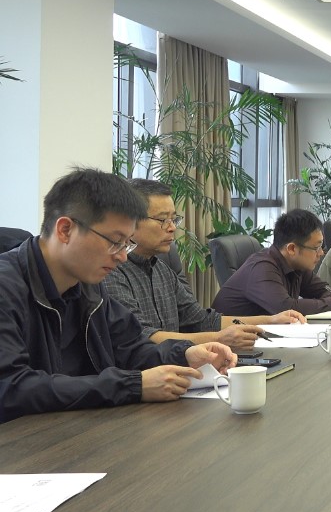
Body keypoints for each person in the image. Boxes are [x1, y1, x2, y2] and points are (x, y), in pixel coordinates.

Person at [0, 168, 235, 422]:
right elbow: (12, 387)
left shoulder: (89, 286)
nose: (122, 256)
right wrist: (133, 385)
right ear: (65, 230)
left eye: (127, 244)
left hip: (85, 429)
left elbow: (132, 348)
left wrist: (186, 355)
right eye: (114, 242)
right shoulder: (7, 287)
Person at [102, 179, 303, 349]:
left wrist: (272, 320)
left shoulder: (162, 270)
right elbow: (142, 336)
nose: (172, 228)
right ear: (129, 222)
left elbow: (203, 320)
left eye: (174, 219)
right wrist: (218, 339)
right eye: (163, 220)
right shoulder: (111, 272)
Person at [212, 208, 331, 317]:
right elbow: (286, 308)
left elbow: (323, 290)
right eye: (316, 248)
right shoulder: (262, 267)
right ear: (292, 249)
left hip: (264, 336)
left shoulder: (297, 265)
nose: (321, 253)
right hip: (229, 342)